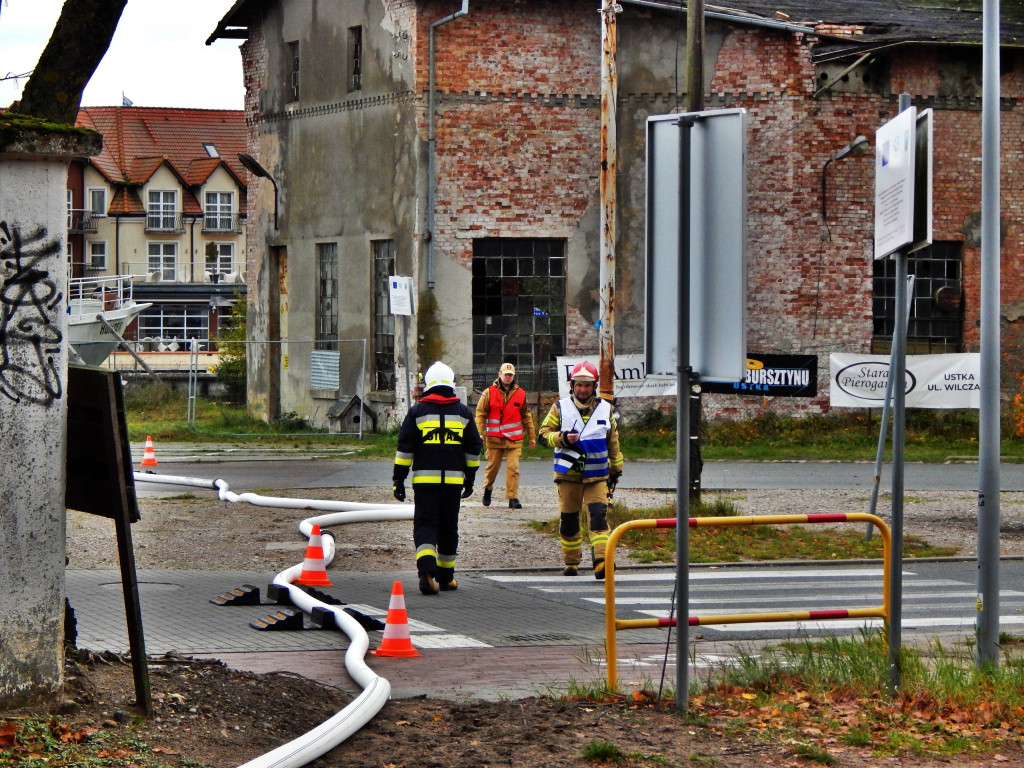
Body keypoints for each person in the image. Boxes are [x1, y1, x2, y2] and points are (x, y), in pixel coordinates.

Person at [392, 361, 483, 595]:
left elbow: (405, 449)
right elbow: (473, 449)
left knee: (425, 525)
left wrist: (398, 480)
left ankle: (426, 572)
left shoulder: (417, 412)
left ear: (428, 384)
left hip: (424, 483)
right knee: (448, 527)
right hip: (453, 484)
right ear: (451, 384)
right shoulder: (463, 413)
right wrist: (470, 478)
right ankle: (446, 578)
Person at [538, 360, 623, 579]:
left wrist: (616, 469)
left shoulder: (606, 409)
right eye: (578, 385)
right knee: (569, 520)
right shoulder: (559, 408)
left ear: (593, 386)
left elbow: (613, 443)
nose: (582, 389)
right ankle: (571, 562)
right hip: (568, 477)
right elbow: (543, 435)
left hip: (597, 477)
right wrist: (562, 438)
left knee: (598, 518)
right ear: (572, 386)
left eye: (587, 385)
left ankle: (602, 562)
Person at [474, 362, 537, 509]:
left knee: (513, 468)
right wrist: (478, 433)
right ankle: (488, 489)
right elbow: (480, 414)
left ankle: (512, 497)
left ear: (513, 376)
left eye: (510, 375)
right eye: (506, 374)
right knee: (493, 467)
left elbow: (526, 416)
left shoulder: (521, 394)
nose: (508, 377)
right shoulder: (489, 392)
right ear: (499, 374)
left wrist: (532, 436)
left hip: (514, 439)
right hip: (494, 438)